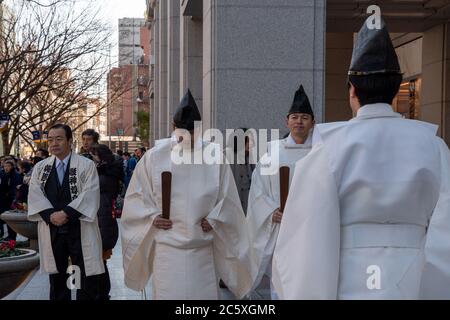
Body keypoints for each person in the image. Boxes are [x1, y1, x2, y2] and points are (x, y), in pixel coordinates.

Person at [272, 17, 450, 300]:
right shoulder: (434, 147)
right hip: (414, 279)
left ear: (352, 90)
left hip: (350, 278)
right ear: (395, 89)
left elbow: (305, 243)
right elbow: (445, 233)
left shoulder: (329, 149)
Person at [121, 89, 253, 300]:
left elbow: (228, 198)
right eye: (183, 130)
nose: (188, 135)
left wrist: (216, 219)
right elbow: (137, 196)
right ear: (173, 128)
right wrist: (153, 217)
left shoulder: (214, 156)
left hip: (202, 247)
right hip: (167, 247)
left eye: (193, 130)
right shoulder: (155, 157)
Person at [246, 85, 315, 299]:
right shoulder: (273, 152)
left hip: (310, 228)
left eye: (304, 117)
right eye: (295, 117)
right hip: (280, 227)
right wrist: (270, 211)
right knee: (281, 281)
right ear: (287, 121)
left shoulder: (320, 153)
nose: (299, 121)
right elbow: (258, 189)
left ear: (312, 122)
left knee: (308, 279)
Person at [28, 124, 104, 300]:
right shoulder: (41, 167)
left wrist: (66, 213)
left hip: (79, 228)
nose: (54, 143)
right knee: (57, 277)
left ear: (70, 141)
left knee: (82, 276)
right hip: (53, 229)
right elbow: (34, 192)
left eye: (59, 139)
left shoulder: (86, 165)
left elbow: (90, 193)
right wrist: (50, 215)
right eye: (51, 139)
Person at [90, 144, 124, 300]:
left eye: (94, 156)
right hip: (103, 218)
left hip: (103, 219)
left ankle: (101, 293)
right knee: (100, 261)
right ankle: (101, 292)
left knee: (99, 260)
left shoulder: (106, 174)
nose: (92, 159)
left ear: (100, 157)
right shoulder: (108, 171)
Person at [0, 160, 23, 240]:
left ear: (12, 166)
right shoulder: (4, 174)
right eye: (5, 166)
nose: (6, 168)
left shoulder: (15, 175)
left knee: (11, 218)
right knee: (5, 218)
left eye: (8, 166)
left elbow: (15, 188)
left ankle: (12, 236)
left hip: (12, 200)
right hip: (4, 200)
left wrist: (12, 197)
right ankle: (8, 235)